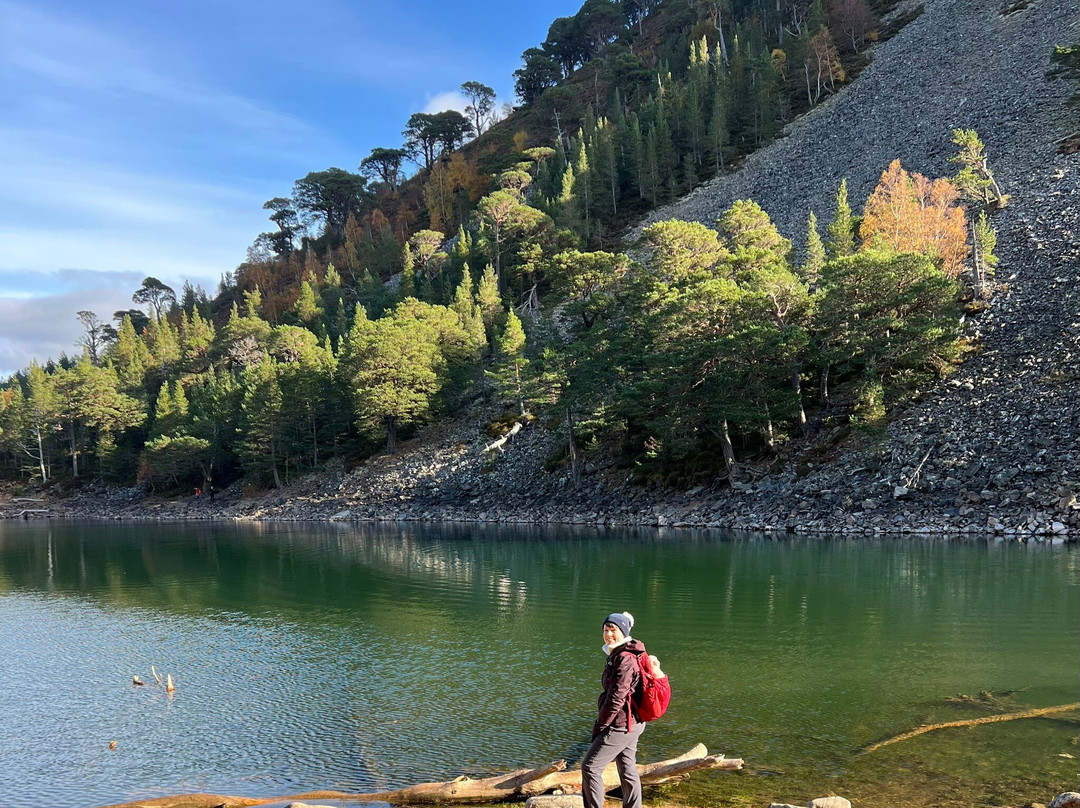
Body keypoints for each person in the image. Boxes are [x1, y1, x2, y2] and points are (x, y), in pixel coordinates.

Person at [581, 611, 647, 808]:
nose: (608, 634)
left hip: (621, 724)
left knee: (591, 767)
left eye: (613, 630)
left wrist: (601, 724)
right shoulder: (619, 653)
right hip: (632, 723)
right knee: (627, 769)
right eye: (605, 630)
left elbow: (616, 698)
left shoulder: (624, 659)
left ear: (623, 631)